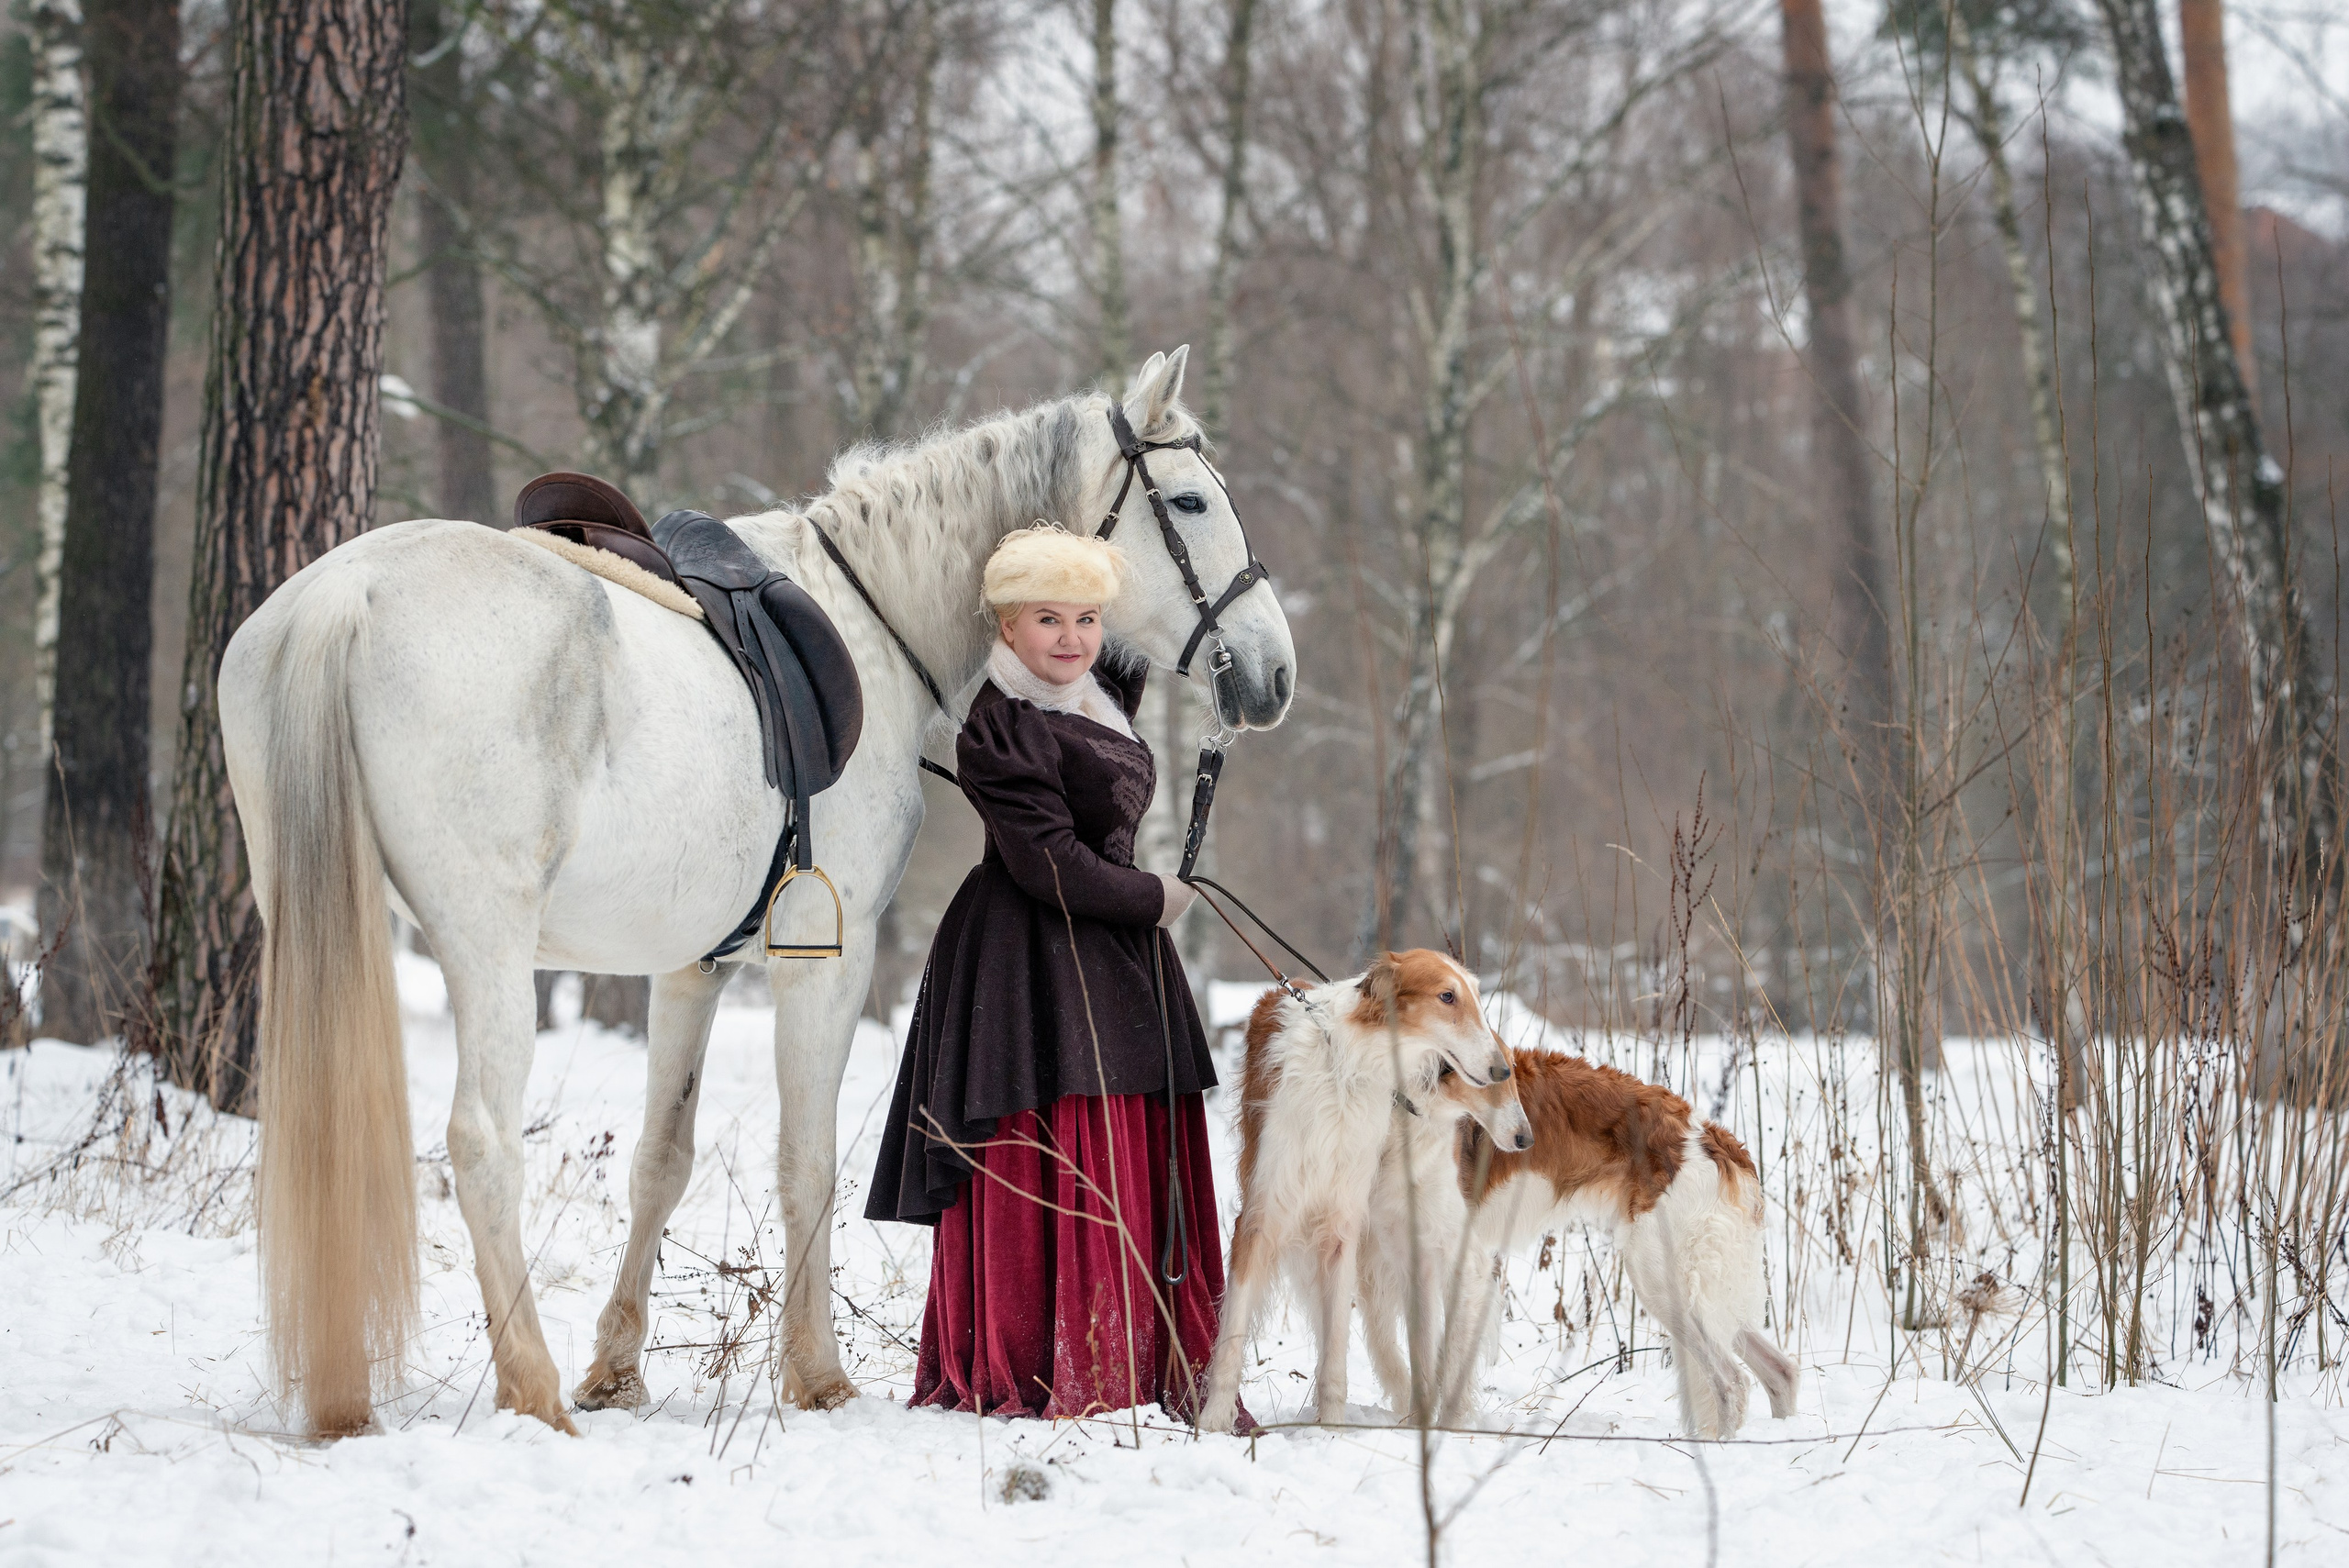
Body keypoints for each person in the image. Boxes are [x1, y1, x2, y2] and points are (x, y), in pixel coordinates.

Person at [866, 524, 1241, 1426]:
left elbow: (1146, 600)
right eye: (1045, 619)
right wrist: (1157, 895)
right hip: (1026, 953)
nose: (1070, 638)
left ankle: (1140, 1352)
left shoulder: (1105, 684)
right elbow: (1046, 861)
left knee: (1123, 1133)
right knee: (1058, 1135)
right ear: (1003, 624)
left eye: (1084, 617)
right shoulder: (998, 723)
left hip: (1110, 947)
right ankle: (1049, 1354)